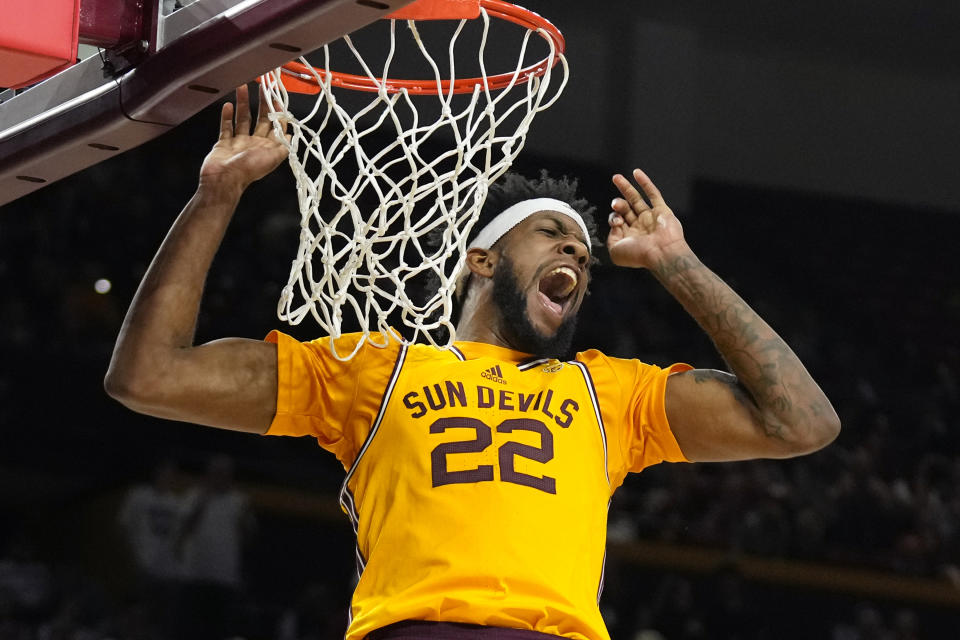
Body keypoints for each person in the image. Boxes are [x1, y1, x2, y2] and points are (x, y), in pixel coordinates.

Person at [104, 85, 840, 640]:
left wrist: (678, 265)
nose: (575, 256)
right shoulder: (374, 368)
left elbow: (802, 423)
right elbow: (148, 378)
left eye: (583, 253)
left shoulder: (609, 391)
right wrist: (216, 196)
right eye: (553, 233)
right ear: (481, 259)